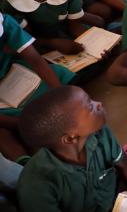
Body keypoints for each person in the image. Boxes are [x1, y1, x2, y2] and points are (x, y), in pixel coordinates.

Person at [17, 86, 127, 212]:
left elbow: (122, 160)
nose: (99, 103)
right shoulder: (37, 187)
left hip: (121, 199)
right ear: (70, 138)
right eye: (90, 106)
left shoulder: (99, 133)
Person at [0, 13, 73, 161]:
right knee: (4, 132)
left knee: (56, 77)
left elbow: (36, 60)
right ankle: (27, 163)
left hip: (14, 72)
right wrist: (21, 125)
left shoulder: (5, 23)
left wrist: (62, 99)